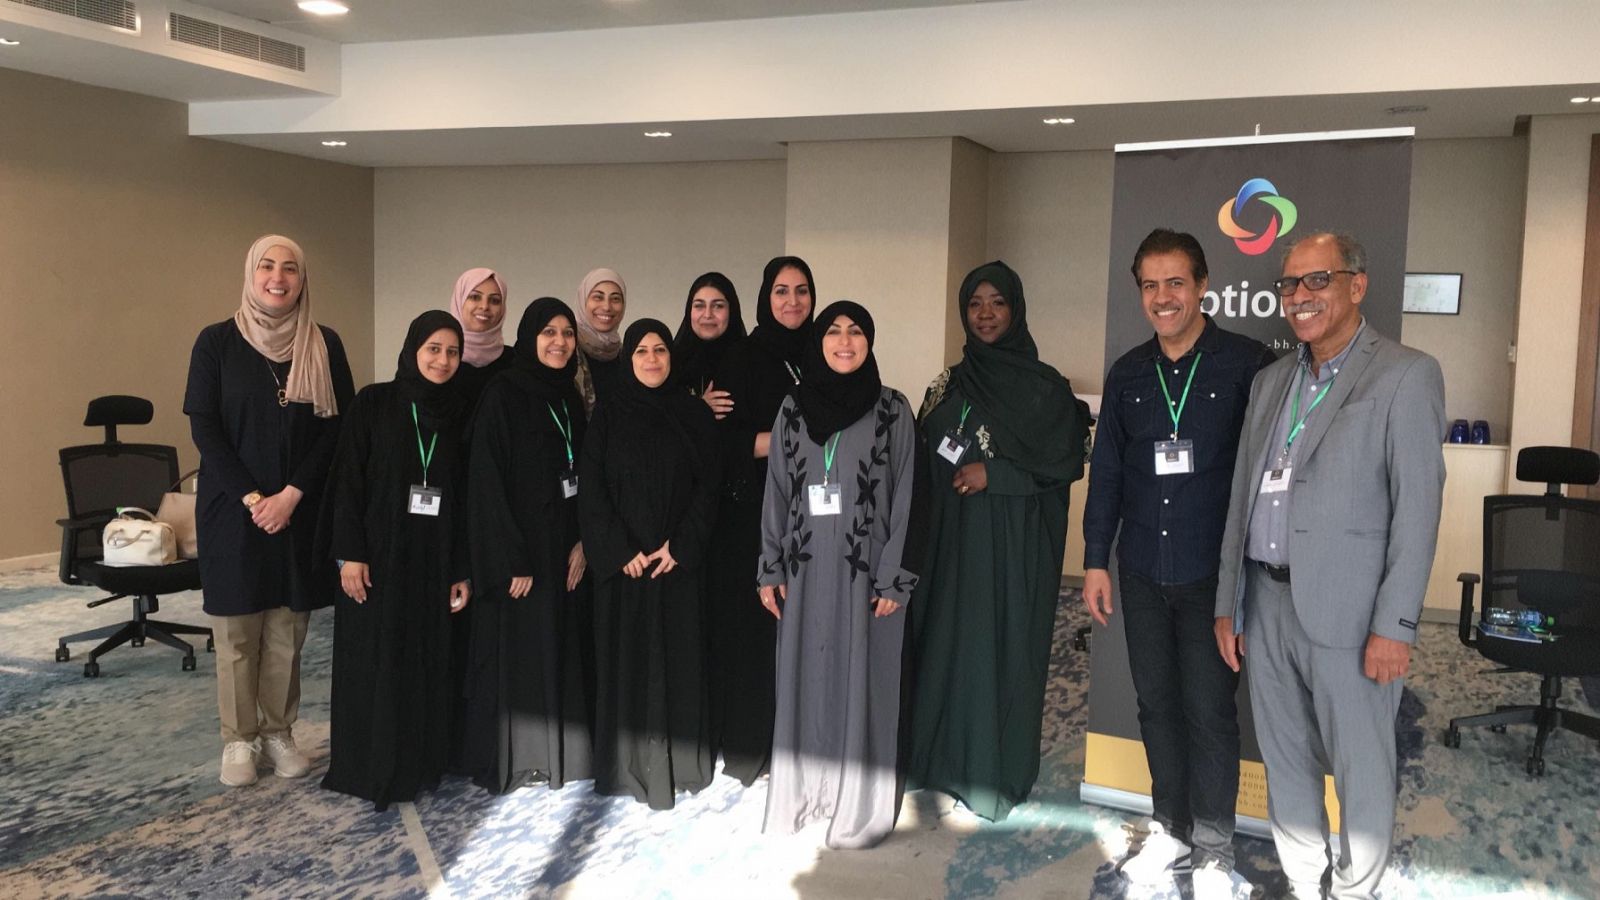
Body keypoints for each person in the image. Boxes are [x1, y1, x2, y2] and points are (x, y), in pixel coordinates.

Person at [1214, 232, 1446, 900]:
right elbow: (1242, 497)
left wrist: (1395, 626)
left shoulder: (1405, 374)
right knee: (1284, 759)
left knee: (1361, 768)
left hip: (1353, 613)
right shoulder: (1270, 382)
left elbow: (1418, 511)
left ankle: (1353, 889)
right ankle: (1300, 878)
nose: (1301, 296)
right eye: (1290, 284)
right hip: (1266, 602)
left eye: (1318, 280)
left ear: (1357, 284)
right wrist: (1229, 602)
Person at [1080, 230, 1275, 894]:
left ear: (1202, 286)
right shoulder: (1128, 373)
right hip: (1139, 569)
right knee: (1156, 706)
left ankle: (1215, 851)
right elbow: (1108, 471)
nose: (1162, 298)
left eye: (1175, 283)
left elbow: (1268, 474)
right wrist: (1095, 559)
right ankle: (1171, 829)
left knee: (1209, 711)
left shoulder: (1247, 365)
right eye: (1150, 285)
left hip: (1211, 577)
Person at [905, 260, 1089, 822]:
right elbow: (916, 453)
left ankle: (990, 773)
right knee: (942, 647)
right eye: (975, 304)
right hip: (946, 544)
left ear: (1016, 309)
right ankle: (934, 761)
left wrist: (997, 474)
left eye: (997, 303)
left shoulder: (1044, 387)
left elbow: (1064, 462)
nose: (985, 314)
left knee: (997, 652)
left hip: (1008, 547)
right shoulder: (946, 384)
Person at [184, 234, 354, 787]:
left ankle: (279, 731)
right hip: (231, 509)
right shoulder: (216, 342)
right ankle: (238, 739)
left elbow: (336, 431)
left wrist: (291, 495)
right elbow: (205, 429)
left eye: (289, 269)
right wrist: (256, 499)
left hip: (298, 510)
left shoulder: (324, 344)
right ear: (251, 273)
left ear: (303, 280)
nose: (278, 278)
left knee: (286, 627)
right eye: (267, 266)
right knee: (237, 629)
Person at [757, 301, 924, 850]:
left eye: (856, 332)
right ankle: (805, 795)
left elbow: (909, 496)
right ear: (819, 342)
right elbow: (776, 491)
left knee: (864, 678)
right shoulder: (792, 409)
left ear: (869, 342)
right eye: (833, 331)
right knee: (807, 677)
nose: (845, 341)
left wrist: (894, 577)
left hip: (866, 577)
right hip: (804, 574)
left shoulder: (893, 409)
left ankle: (857, 804)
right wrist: (769, 566)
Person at [320, 311, 472, 810]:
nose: (443, 360)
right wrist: (350, 554)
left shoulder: (459, 413)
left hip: (433, 560)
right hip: (377, 559)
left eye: (452, 351)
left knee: (424, 662)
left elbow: (467, 499)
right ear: (412, 350)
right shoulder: (374, 403)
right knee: (376, 660)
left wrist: (461, 569)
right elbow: (348, 482)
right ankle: (371, 766)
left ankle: (420, 762)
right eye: (433, 349)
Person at [579, 319, 720, 809]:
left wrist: (680, 546)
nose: (653, 359)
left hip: (676, 566)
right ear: (628, 360)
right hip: (628, 571)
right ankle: (628, 767)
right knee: (628, 664)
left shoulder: (693, 414)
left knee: (680, 662)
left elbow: (710, 486)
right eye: (641, 351)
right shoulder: (608, 414)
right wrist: (620, 551)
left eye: (660, 350)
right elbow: (591, 489)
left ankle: (682, 765)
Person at [463, 298, 594, 794]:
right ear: (530, 337)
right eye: (549, 333)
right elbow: (487, 483)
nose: (560, 342)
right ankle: (525, 758)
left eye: (567, 333)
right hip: (522, 553)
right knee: (521, 650)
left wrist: (583, 540)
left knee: (559, 644)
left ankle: (561, 753)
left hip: (565, 546)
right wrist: (510, 558)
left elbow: (585, 472)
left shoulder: (568, 396)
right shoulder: (504, 393)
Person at [704, 255, 816, 785]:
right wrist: (790, 441)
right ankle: (757, 746)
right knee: (757, 632)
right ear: (765, 298)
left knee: (810, 626)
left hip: (818, 516)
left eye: (801, 290)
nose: (792, 301)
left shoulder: (827, 349)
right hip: (753, 515)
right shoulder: (742, 358)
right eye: (781, 291)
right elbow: (722, 440)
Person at [671, 270, 747, 418]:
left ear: (732, 311)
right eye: (699, 306)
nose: (707, 315)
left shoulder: (750, 361)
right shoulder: (670, 365)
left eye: (718, 306)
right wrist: (699, 407)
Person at [448, 267, 514, 411]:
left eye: (494, 300)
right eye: (475, 297)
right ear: (459, 301)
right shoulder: (440, 360)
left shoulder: (516, 362)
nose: (484, 306)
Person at [574, 267, 627, 414]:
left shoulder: (627, 356)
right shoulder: (565, 352)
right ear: (583, 300)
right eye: (598, 297)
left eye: (615, 299)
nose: (606, 307)